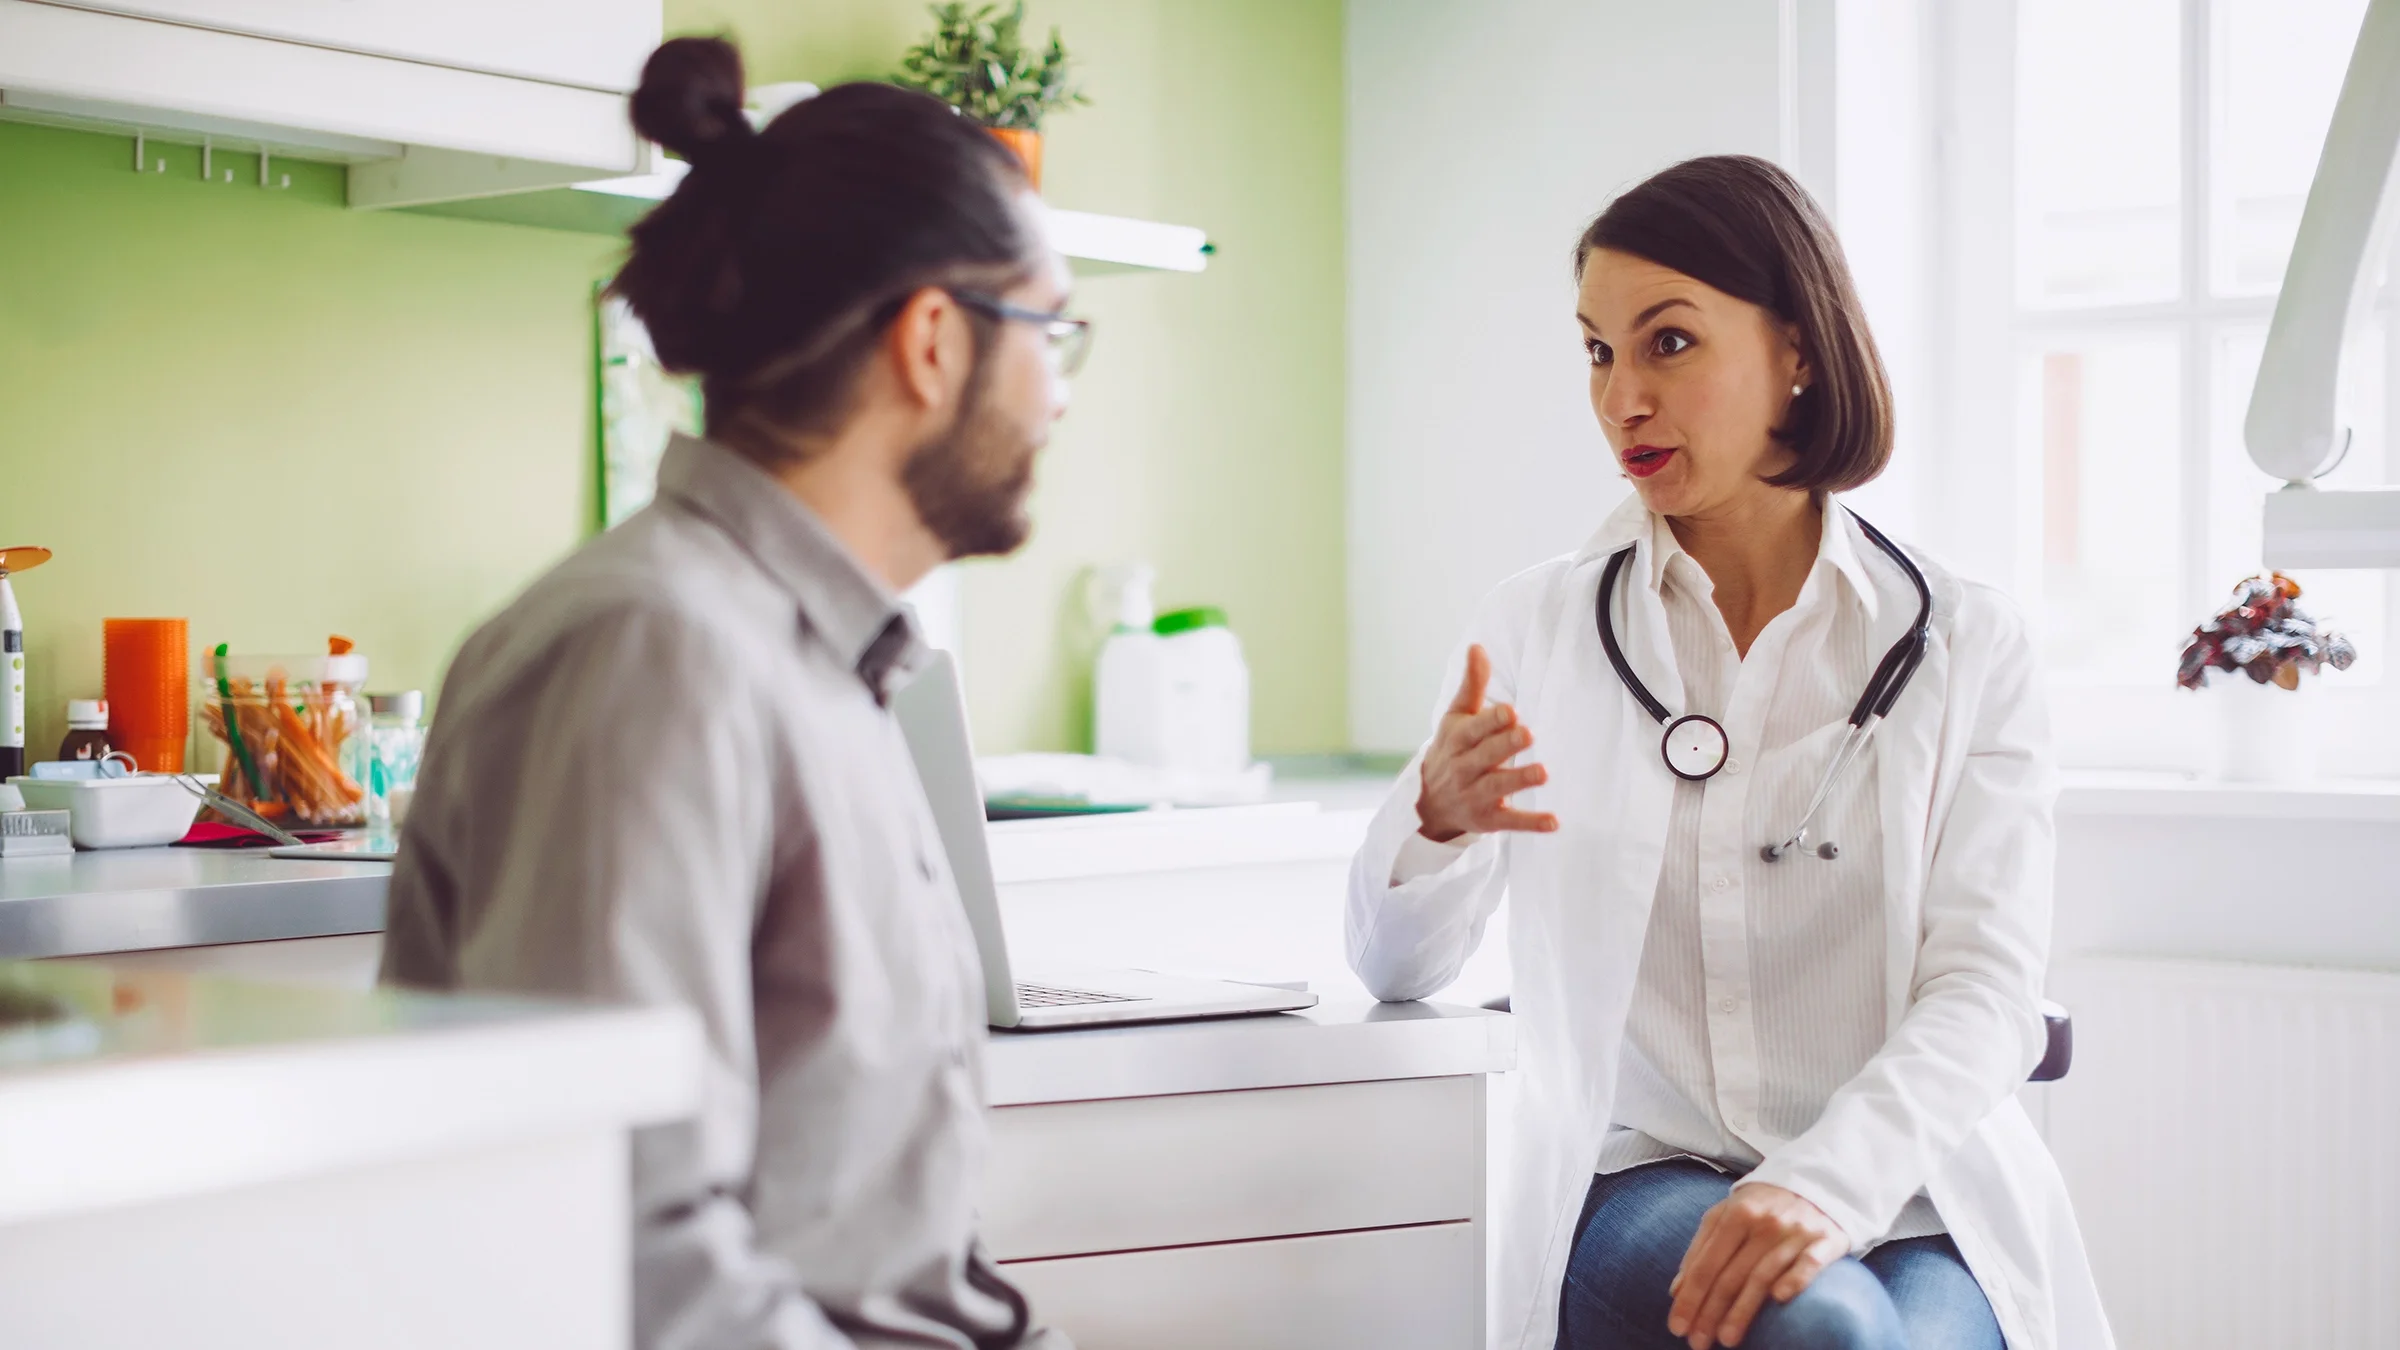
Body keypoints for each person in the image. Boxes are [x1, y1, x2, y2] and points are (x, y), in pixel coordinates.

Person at [379, 36, 1086, 1350]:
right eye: (1052, 329)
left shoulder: (820, 660)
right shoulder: (655, 655)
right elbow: (620, 1247)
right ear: (934, 341)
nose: (1058, 396)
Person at [1345, 156, 2112, 1350]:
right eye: (1597, 352)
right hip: (1643, 1178)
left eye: (1669, 343)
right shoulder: (1538, 630)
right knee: (1824, 1332)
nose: (1621, 399)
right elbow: (1394, 971)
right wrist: (1433, 822)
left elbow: (1986, 990)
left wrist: (1820, 1185)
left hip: (1914, 1190)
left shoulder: (1965, 641)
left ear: (1796, 349)